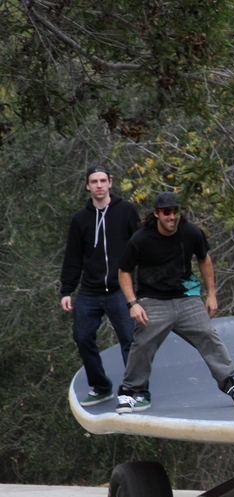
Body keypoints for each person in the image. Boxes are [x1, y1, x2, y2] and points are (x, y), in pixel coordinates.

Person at [115, 192, 234, 413]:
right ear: (157, 214)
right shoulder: (141, 238)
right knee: (143, 343)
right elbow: (124, 271)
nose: (172, 217)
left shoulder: (191, 232)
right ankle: (130, 392)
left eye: (176, 211)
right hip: (152, 299)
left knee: (208, 334)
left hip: (186, 296)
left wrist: (211, 294)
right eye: (167, 212)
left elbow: (204, 259)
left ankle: (232, 382)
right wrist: (133, 303)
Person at [60, 165, 141, 405]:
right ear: (87, 186)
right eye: (94, 181)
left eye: (103, 180)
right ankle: (101, 386)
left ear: (110, 183)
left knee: (129, 339)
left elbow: (140, 247)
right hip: (89, 291)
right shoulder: (80, 219)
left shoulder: (126, 211)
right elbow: (73, 256)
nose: (99, 185)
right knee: (82, 337)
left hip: (119, 290)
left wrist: (141, 289)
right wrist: (66, 290)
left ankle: (134, 389)